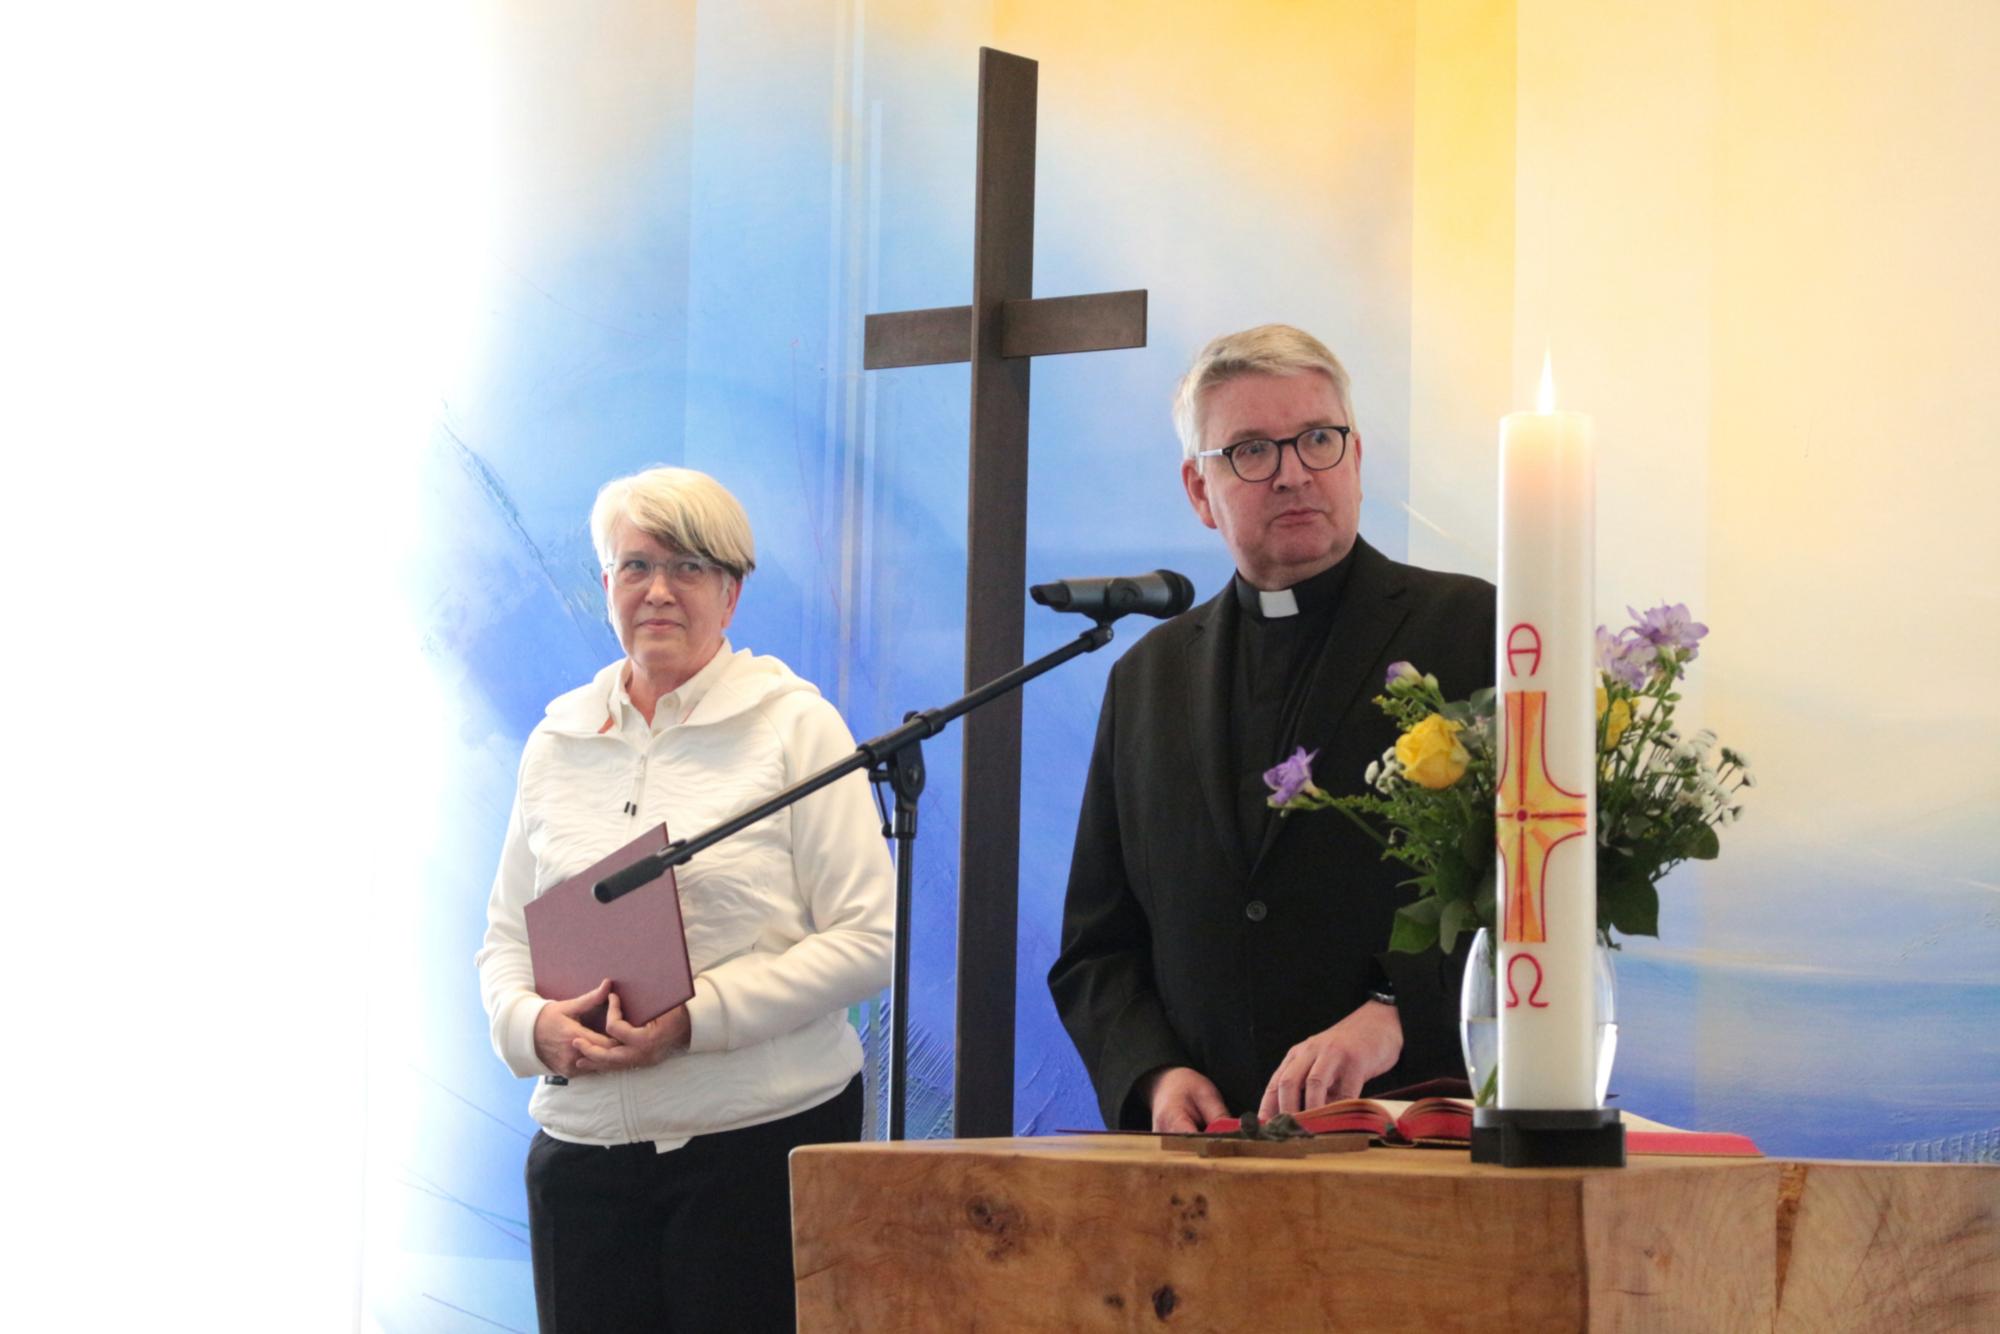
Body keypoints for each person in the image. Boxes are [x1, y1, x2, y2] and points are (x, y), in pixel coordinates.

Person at [1048, 325, 1495, 1133]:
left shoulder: (1474, 631)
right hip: (1211, 1160)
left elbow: (1543, 889)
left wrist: (1396, 1010)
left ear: (1356, 457)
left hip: (1417, 1131)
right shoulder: (1147, 678)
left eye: (1317, 440)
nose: (1293, 473)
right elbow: (1096, 944)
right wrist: (1152, 1072)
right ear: (1197, 489)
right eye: (1251, 451)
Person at [476, 466, 893, 1333]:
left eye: (689, 567)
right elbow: (505, 940)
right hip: (582, 1156)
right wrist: (530, 1027)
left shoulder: (795, 728)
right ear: (605, 587)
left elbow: (865, 939)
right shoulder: (556, 741)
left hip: (755, 1148)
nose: (658, 591)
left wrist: (694, 1017)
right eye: (635, 567)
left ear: (731, 593)